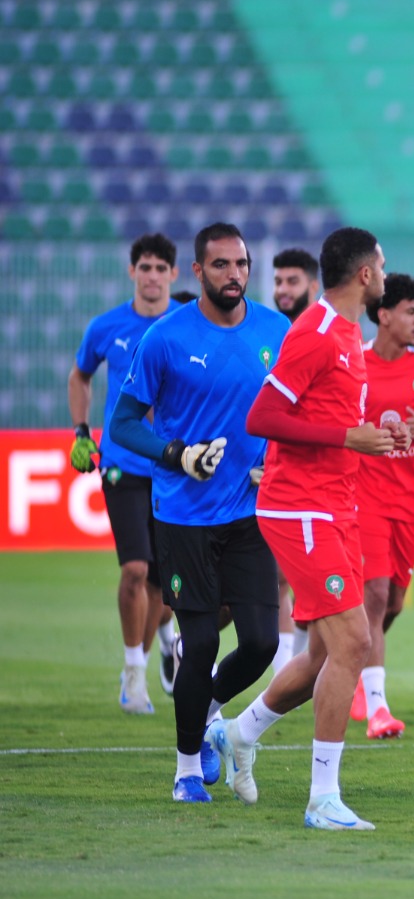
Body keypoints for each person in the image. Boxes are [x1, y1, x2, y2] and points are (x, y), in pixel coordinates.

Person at [222, 227, 401, 830]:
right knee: (354, 642)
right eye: (381, 265)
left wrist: (377, 436)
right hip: (299, 507)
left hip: (338, 503)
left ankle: (237, 733)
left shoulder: (349, 333)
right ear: (365, 275)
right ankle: (322, 797)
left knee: (328, 650)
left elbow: (331, 419)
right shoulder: (318, 331)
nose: (384, 272)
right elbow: (264, 415)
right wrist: (350, 436)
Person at [108, 221, 289, 802]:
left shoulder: (275, 330)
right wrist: (176, 454)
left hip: (250, 513)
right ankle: (187, 769)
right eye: (221, 266)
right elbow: (124, 424)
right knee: (203, 641)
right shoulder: (164, 338)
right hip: (183, 516)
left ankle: (210, 704)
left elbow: (293, 411)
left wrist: (278, 461)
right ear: (198, 272)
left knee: (262, 643)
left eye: (241, 264)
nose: (234, 275)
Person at [69, 232, 181, 712]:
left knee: (166, 583)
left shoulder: (186, 323)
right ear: (131, 271)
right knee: (135, 569)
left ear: (175, 275)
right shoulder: (106, 326)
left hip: (173, 465)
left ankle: (164, 637)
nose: (152, 276)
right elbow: (81, 375)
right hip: (122, 461)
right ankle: (133, 671)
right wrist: (80, 431)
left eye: (161, 268)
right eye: (145, 267)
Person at [351, 272, 414, 740]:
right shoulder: (353, 363)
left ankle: (353, 661)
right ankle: (377, 709)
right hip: (361, 495)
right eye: (411, 311)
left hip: (411, 499)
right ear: (384, 314)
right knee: (373, 595)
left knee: (391, 603)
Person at [268, 247, 321, 675]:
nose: (283, 290)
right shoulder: (264, 331)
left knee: (289, 578)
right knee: (259, 584)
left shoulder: (317, 334)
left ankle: (289, 667)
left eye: (292, 282)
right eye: (279, 282)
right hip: (255, 473)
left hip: (303, 477)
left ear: (313, 285)